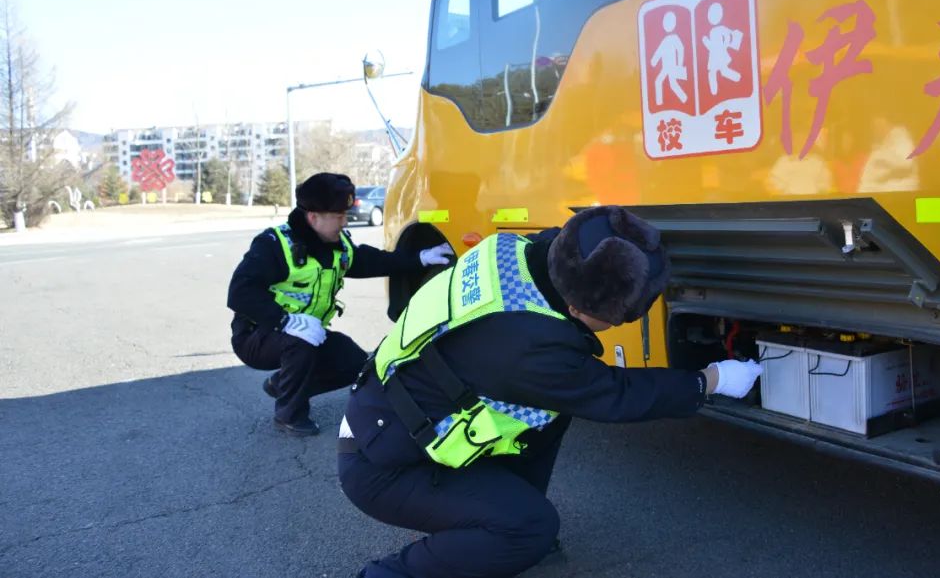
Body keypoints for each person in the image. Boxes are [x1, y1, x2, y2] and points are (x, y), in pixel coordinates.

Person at [337, 205, 762, 577]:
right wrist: (712, 379)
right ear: (576, 308)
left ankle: (504, 523)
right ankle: (396, 571)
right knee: (532, 527)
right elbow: (616, 394)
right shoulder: (529, 348)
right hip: (382, 464)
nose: (617, 325)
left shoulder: (515, 249)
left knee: (548, 417)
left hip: (392, 409)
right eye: (616, 319)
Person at [227, 172, 453, 437]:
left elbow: (370, 261)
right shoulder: (275, 245)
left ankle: (282, 385)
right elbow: (240, 292)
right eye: (338, 216)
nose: (345, 222)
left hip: (307, 332)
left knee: (355, 362)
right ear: (314, 218)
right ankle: (289, 414)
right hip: (257, 336)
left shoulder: (336, 245)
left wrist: (420, 258)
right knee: (299, 344)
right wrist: (285, 321)